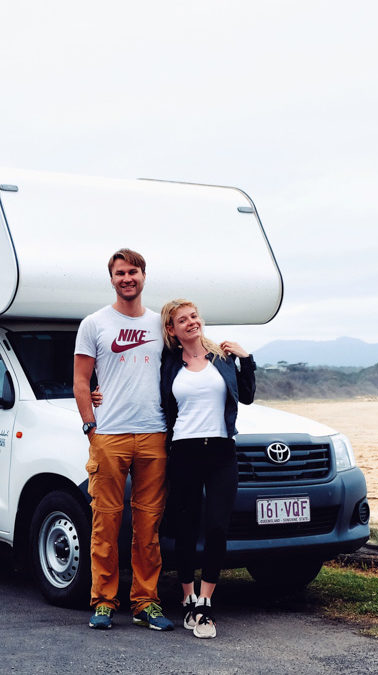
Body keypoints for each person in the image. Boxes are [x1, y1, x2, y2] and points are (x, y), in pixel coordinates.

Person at [73, 248, 174, 631]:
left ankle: (145, 602)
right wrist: (90, 426)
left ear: (144, 276)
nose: (127, 278)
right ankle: (103, 602)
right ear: (111, 278)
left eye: (133, 272)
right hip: (109, 436)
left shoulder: (159, 324)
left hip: (154, 435)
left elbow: (188, 359)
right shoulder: (94, 324)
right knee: (106, 523)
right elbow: (82, 381)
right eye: (120, 273)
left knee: (148, 527)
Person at [159, 298, 256, 639]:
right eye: (182, 320)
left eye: (194, 316)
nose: (191, 322)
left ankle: (205, 603)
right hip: (184, 451)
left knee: (216, 527)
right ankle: (187, 596)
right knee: (185, 527)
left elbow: (246, 397)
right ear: (171, 329)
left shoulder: (223, 358)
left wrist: (247, 360)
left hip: (221, 451)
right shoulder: (169, 362)